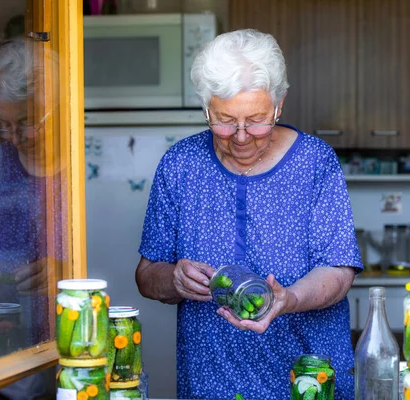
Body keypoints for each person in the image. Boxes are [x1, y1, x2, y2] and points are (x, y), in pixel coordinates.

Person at [135, 29, 362, 399]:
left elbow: (338, 270)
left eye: (257, 120)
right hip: (210, 384)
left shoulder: (315, 162)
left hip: (306, 382)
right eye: (224, 120)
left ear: (279, 104)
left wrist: (289, 298)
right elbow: (146, 276)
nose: (241, 136)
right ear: (205, 108)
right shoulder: (180, 165)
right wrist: (173, 279)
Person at [0, 38, 63, 399]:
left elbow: (114, 253)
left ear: (54, 107)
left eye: (27, 122)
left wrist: (64, 270)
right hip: (6, 349)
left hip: (72, 340)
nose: (13, 137)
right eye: (3, 124)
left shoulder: (84, 166)